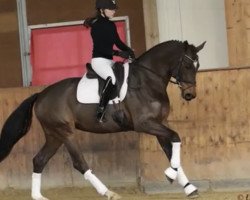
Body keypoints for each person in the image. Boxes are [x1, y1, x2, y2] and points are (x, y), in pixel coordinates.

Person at [84, 0, 135, 123]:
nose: (114, 11)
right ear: (101, 10)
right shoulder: (96, 26)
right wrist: (118, 53)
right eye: (110, 9)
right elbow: (102, 48)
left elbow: (118, 42)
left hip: (109, 61)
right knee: (112, 79)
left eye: (114, 9)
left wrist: (129, 51)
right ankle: (100, 111)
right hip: (99, 61)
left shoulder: (111, 25)